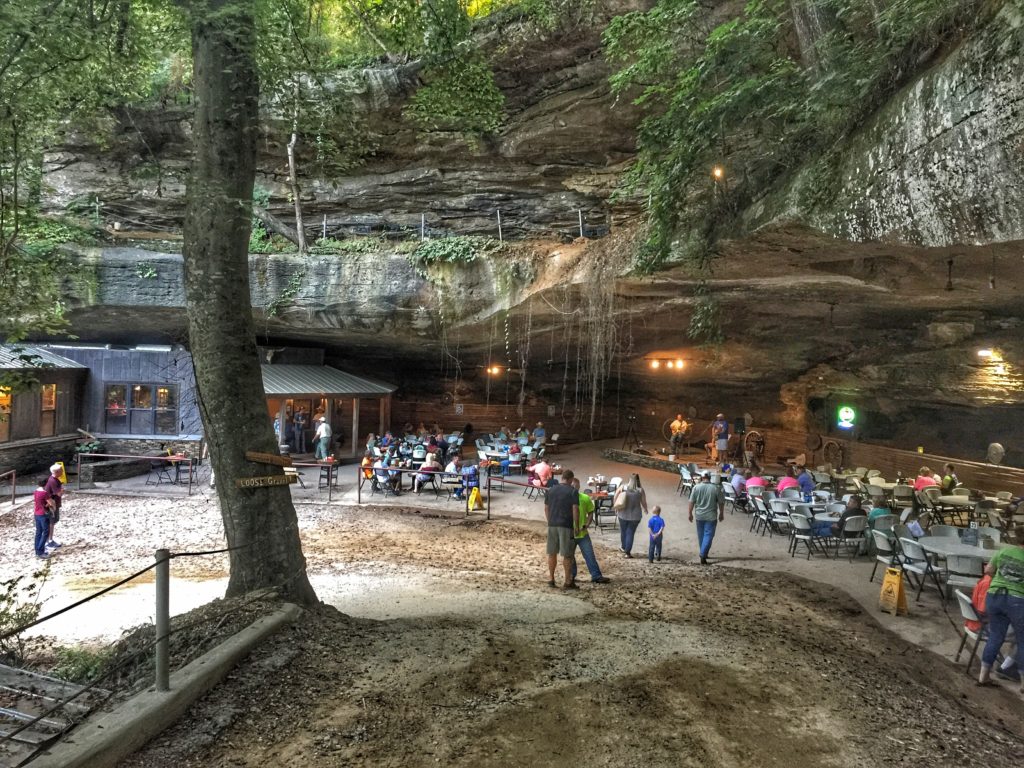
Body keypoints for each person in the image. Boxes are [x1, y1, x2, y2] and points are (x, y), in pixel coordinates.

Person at [977, 539, 1024, 692]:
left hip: (995, 596)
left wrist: (1004, 578)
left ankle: (983, 677)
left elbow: (988, 570)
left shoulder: (1004, 551)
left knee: (995, 636)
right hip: (1017, 600)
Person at [570, 480, 611, 584]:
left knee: (589, 555)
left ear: (579, 486)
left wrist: (587, 524)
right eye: (573, 485)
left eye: (576, 485)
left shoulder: (584, 497)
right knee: (570, 556)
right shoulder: (566, 498)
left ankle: (596, 575)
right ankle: (571, 575)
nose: (574, 487)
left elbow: (590, 512)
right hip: (570, 533)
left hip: (583, 533)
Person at [544, 470, 579, 589]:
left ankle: (551, 579)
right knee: (567, 554)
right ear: (570, 479)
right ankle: (567, 581)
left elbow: (546, 508)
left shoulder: (551, 490)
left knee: (552, 553)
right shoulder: (573, 491)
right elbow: (575, 509)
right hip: (566, 525)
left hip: (552, 524)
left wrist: (549, 521)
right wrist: (577, 526)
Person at [688, 471, 724, 564]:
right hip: (711, 516)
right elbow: (721, 502)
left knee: (701, 536)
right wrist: (721, 513)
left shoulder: (696, 487)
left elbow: (691, 501)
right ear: (710, 477)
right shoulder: (716, 488)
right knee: (708, 535)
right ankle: (703, 554)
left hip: (699, 516)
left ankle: (703, 552)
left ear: (702, 477)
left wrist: (690, 513)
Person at [613, 473, 648, 558]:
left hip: (623, 514)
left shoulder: (623, 488)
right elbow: (643, 502)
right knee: (630, 533)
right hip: (635, 516)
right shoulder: (640, 490)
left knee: (623, 531)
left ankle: (623, 547)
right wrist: (645, 509)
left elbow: (615, 497)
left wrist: (615, 507)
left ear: (629, 480)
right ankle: (627, 552)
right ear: (638, 480)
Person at [43, 463, 64, 550]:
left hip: (54, 504)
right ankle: (48, 541)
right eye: (61, 470)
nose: (63, 471)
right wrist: (62, 490)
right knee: (51, 522)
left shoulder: (54, 479)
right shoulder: (53, 481)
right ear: (56, 472)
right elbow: (59, 493)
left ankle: (49, 539)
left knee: (53, 521)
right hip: (51, 505)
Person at [33, 478, 51, 559]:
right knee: (46, 532)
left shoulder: (35, 491)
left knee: (38, 532)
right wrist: (48, 505)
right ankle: (40, 551)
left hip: (36, 513)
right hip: (43, 514)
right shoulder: (44, 493)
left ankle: (37, 550)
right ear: (45, 484)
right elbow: (49, 503)